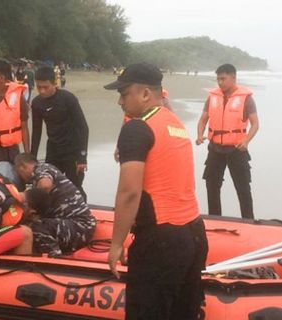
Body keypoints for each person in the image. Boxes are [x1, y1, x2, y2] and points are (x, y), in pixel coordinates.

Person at [104, 63, 208, 319]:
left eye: (124, 93)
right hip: (193, 234)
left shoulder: (137, 128)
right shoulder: (176, 124)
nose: (120, 101)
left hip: (161, 241)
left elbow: (129, 192)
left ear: (145, 94)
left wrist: (116, 244)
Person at [196, 63, 259, 219]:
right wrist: (199, 135)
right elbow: (203, 119)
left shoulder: (246, 99)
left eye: (223, 79)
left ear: (233, 77)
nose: (220, 82)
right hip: (215, 148)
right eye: (218, 79)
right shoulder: (212, 97)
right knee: (211, 185)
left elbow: (255, 123)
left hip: (237, 149)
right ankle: (215, 218)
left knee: (243, 187)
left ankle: (248, 220)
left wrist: (246, 141)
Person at [14, 153, 96, 257]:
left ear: (22, 167)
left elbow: (45, 185)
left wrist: (33, 203)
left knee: (34, 227)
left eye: (18, 172)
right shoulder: (43, 171)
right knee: (32, 223)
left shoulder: (41, 169)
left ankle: (54, 258)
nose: (20, 178)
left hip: (80, 226)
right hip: (69, 223)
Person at [31, 66, 89, 199]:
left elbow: (83, 127)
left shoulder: (68, 99)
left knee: (75, 188)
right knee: (48, 186)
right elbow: (36, 130)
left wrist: (82, 157)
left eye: (45, 87)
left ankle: (83, 216)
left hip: (72, 151)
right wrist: (33, 157)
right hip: (53, 150)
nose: (42, 91)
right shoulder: (37, 103)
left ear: (54, 83)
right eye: (38, 87)